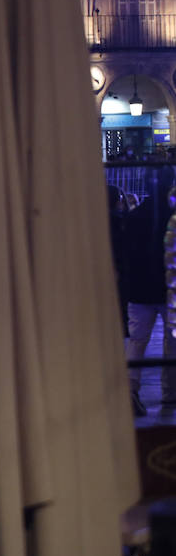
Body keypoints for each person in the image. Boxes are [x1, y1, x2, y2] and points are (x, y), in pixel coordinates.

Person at [121, 167, 176, 414]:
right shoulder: (172, 216)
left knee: (137, 342)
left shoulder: (135, 216)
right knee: (171, 342)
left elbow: (127, 256)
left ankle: (131, 390)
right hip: (169, 289)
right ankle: (170, 393)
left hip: (139, 289)